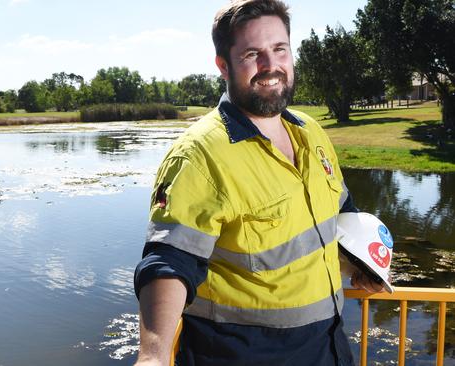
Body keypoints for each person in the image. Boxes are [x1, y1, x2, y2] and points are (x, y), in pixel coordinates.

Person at [133, 1, 385, 365]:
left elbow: (341, 210)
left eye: (279, 49)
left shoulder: (310, 132)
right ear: (224, 65)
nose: (271, 66)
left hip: (328, 347)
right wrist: (154, 355)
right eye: (253, 54)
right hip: (242, 355)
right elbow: (169, 262)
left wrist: (360, 263)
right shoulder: (199, 154)